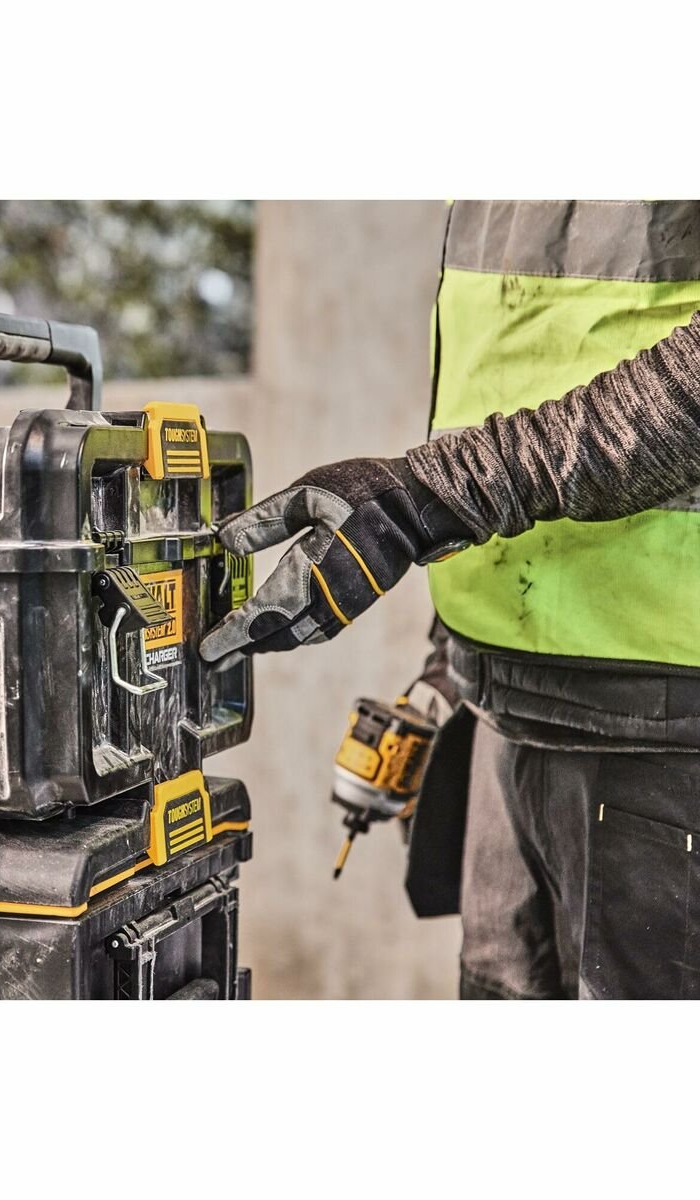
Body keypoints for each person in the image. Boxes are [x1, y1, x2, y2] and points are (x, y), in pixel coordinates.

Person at [200, 199, 700, 1000]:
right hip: (501, 707)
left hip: (668, 730)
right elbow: (512, 365)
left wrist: (432, 497)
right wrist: (449, 657)